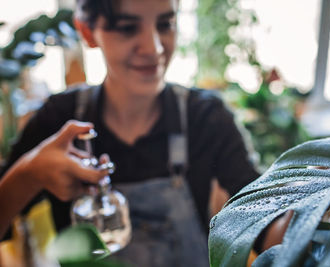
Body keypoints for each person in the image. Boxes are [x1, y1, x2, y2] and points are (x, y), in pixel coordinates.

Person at [0, 0, 260, 265]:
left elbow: (260, 208)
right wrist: (29, 173)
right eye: (127, 28)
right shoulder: (57, 119)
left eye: (165, 24)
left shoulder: (205, 116)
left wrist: (300, 229)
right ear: (88, 32)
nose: (154, 48)